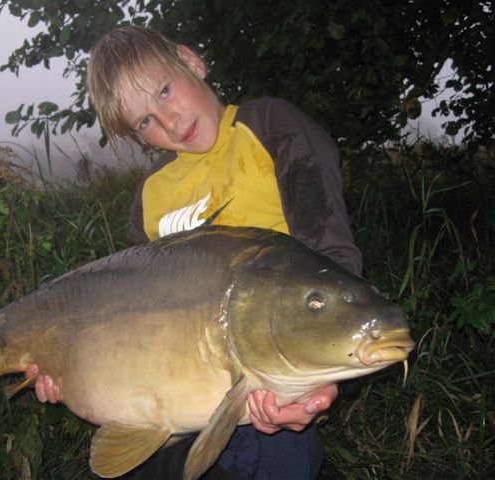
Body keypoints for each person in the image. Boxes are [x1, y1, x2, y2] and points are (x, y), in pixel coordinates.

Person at [26, 25, 362, 479]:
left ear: (191, 62)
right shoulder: (151, 192)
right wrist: (64, 360)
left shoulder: (271, 126)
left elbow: (331, 258)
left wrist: (322, 380)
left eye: (164, 91)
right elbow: (124, 307)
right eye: (145, 122)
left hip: (267, 400)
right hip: (175, 404)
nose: (168, 122)